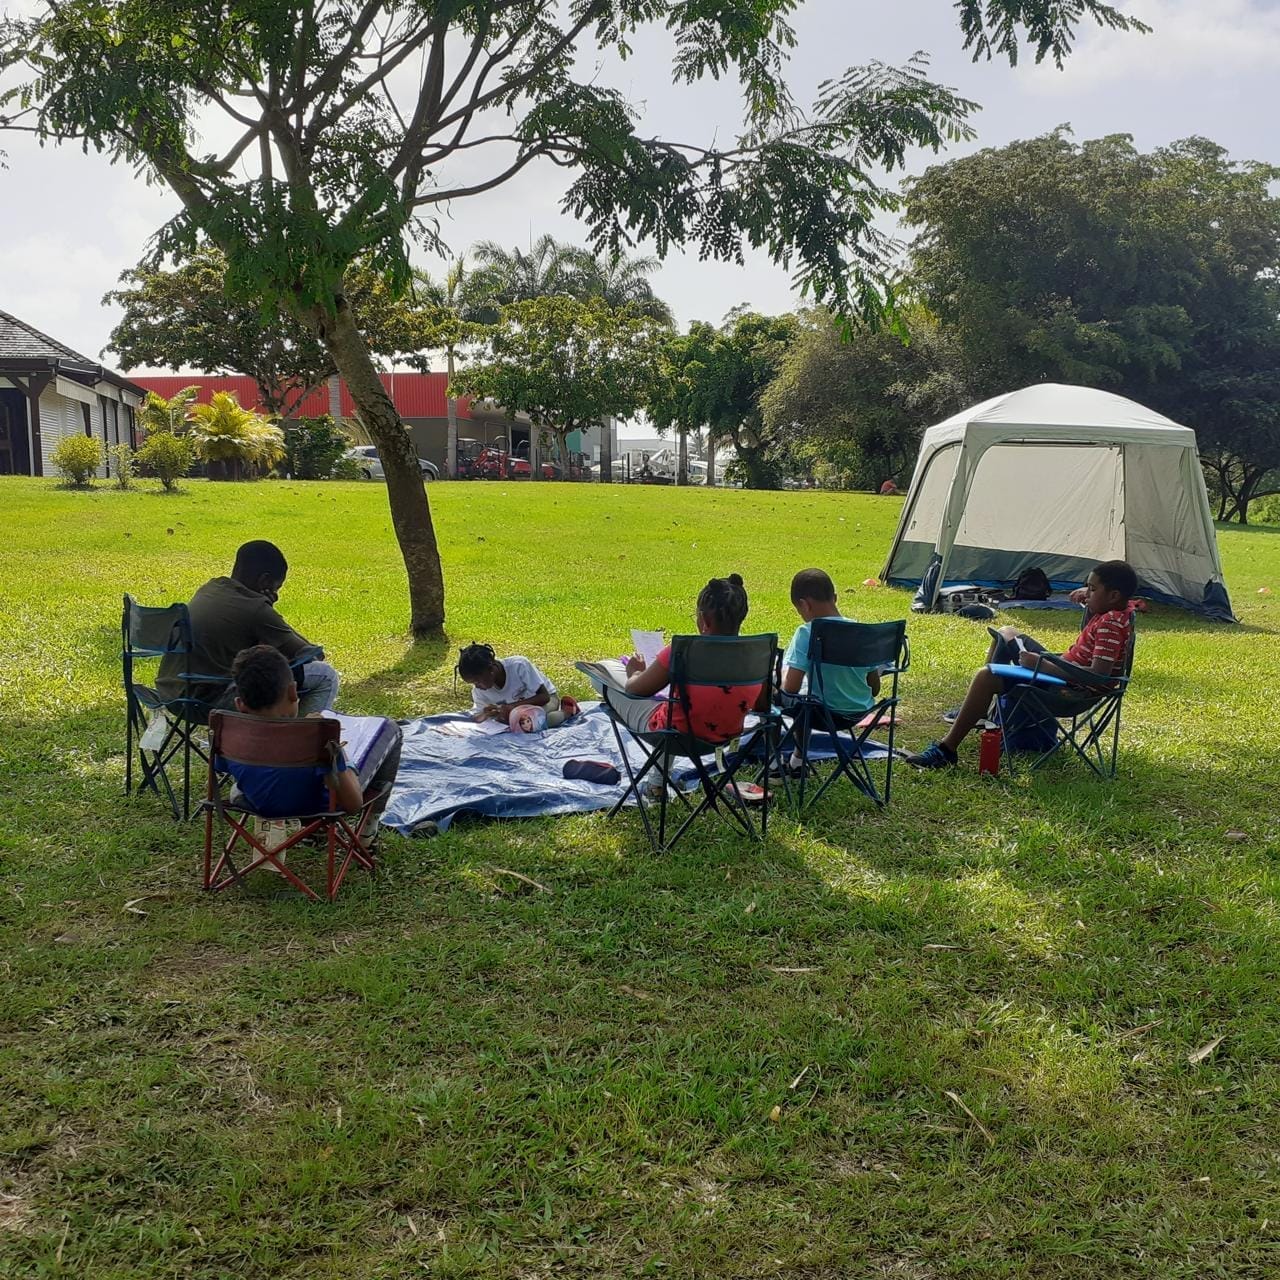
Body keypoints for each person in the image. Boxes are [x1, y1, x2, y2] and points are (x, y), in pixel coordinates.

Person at [906, 559, 1138, 769]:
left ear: (1114, 595)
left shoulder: (1110, 624)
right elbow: (1094, 640)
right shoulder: (1117, 611)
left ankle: (947, 750)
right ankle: (985, 710)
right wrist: (1089, 596)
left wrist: (1042, 665)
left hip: (1071, 690)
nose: (1087, 593)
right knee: (1006, 632)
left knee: (986, 677)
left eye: (1092, 589)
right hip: (1064, 671)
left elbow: (1097, 674)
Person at [221, 645, 401, 840]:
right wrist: (339, 751)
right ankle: (367, 835)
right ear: (293, 692)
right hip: (317, 805)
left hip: (255, 801)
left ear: (240, 704)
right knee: (391, 729)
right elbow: (353, 804)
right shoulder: (317, 736)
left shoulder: (227, 729)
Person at [157, 540, 339, 716]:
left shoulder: (210, 588)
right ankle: (301, 739)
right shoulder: (256, 608)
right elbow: (310, 655)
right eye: (276, 587)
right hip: (211, 701)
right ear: (264, 580)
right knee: (326, 677)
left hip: (171, 694)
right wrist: (268, 611)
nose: (276, 593)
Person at [592, 573, 764, 742]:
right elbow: (762, 706)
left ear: (704, 620)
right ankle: (658, 769)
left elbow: (635, 690)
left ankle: (659, 769)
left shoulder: (681, 651)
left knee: (600, 672)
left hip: (672, 736)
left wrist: (634, 673)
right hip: (725, 736)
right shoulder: (757, 654)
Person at [776, 568, 881, 773]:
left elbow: (791, 688)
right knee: (809, 699)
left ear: (804, 605)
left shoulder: (807, 633)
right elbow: (874, 688)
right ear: (835, 597)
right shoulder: (862, 632)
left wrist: (777, 680)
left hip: (822, 715)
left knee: (779, 696)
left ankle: (777, 762)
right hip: (859, 711)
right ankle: (798, 761)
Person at [456, 643, 566, 724]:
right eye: (473, 684)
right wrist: (487, 714)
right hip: (517, 712)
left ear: (491, 669)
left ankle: (568, 711)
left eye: (477, 681)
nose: (477, 686)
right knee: (516, 722)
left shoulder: (519, 665)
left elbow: (544, 696)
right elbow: (479, 716)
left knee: (537, 722)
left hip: (545, 701)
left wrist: (512, 707)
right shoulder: (479, 691)